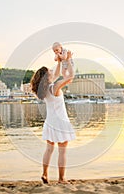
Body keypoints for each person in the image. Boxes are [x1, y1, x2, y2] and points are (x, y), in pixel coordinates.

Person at [30, 50, 75, 184]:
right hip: (61, 123)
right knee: (62, 152)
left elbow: (56, 74)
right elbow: (71, 76)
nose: (52, 71)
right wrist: (70, 60)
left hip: (50, 122)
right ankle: (61, 179)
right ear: (47, 77)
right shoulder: (54, 87)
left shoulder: (43, 90)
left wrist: (61, 61)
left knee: (49, 150)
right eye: (49, 71)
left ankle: (44, 174)